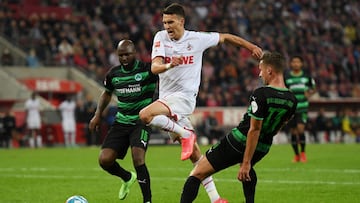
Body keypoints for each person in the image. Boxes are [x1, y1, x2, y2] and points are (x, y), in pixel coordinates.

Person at [139, 3, 262, 203]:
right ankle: (216, 198)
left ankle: (185, 134)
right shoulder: (160, 38)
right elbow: (154, 67)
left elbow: (226, 37)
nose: (167, 26)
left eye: (170, 22)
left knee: (145, 115)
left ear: (181, 21)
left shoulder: (197, 39)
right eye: (164, 22)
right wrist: (170, 64)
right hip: (167, 98)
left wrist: (252, 47)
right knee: (196, 155)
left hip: (185, 97)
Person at [180, 51, 297, 203]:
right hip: (262, 147)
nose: (260, 74)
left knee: (197, 174)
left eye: (261, 70)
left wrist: (246, 162)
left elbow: (254, 129)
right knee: (246, 170)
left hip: (238, 142)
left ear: (270, 70)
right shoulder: (292, 100)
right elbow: (280, 125)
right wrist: (247, 161)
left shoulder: (261, 94)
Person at [89, 40, 158, 203]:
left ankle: (147, 201)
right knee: (104, 160)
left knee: (138, 158)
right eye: (121, 55)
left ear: (134, 53)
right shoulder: (114, 74)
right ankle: (127, 177)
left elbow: (165, 77)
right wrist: (98, 115)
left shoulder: (147, 70)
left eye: (127, 54)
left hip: (141, 120)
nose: (124, 58)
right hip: (121, 122)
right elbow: (107, 93)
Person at [284, 55, 316, 163]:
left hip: (302, 107)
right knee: (293, 132)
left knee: (301, 129)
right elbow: (283, 89)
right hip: (291, 109)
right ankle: (296, 155)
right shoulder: (287, 77)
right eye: (294, 62)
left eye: (298, 62)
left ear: (301, 64)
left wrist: (310, 93)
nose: (296, 64)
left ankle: (303, 153)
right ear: (291, 64)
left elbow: (313, 87)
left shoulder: (307, 76)